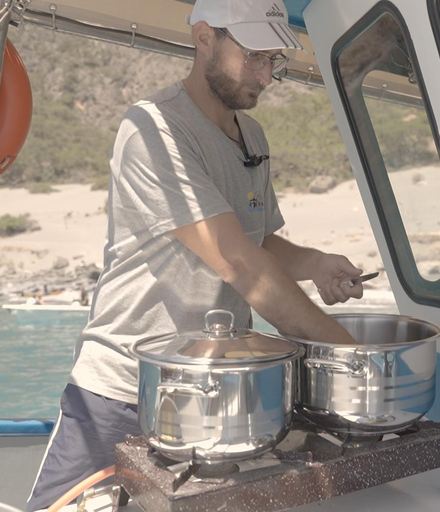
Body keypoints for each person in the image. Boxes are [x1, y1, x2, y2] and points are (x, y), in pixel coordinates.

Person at [26, 0, 365, 509]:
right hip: (124, 389)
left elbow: (257, 241)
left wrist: (315, 263)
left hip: (214, 395)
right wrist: (351, 359)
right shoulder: (154, 128)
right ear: (205, 36)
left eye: (274, 60)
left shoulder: (252, 136)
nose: (267, 77)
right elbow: (239, 263)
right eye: (255, 56)